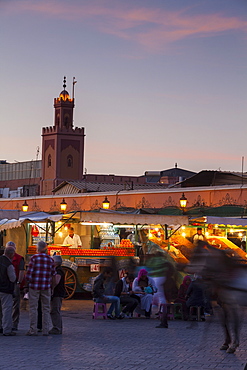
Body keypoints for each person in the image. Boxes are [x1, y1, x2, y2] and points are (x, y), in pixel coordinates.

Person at [25, 241, 56, 336]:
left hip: (34, 286)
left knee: (33, 308)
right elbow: (53, 275)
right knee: (46, 308)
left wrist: (26, 285)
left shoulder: (34, 258)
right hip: (46, 287)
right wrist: (53, 287)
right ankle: (45, 330)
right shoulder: (50, 260)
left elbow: (29, 274)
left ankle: (33, 329)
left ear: (38, 248)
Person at [5, 241, 25, 332]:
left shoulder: (19, 258)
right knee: (12, 305)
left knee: (14, 305)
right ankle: (11, 324)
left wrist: (18, 282)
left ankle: (13, 323)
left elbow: (21, 271)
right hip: (9, 283)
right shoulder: (19, 258)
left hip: (12, 283)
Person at [0, 245, 16, 336]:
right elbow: (12, 278)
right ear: (10, 254)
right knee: (7, 309)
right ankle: (7, 330)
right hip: (5, 289)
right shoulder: (8, 264)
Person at [49, 255, 65, 334]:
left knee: (55, 310)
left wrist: (52, 287)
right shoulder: (57, 270)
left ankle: (57, 328)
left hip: (57, 293)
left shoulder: (59, 271)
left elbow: (56, 281)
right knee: (54, 310)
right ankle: (56, 327)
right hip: (57, 293)